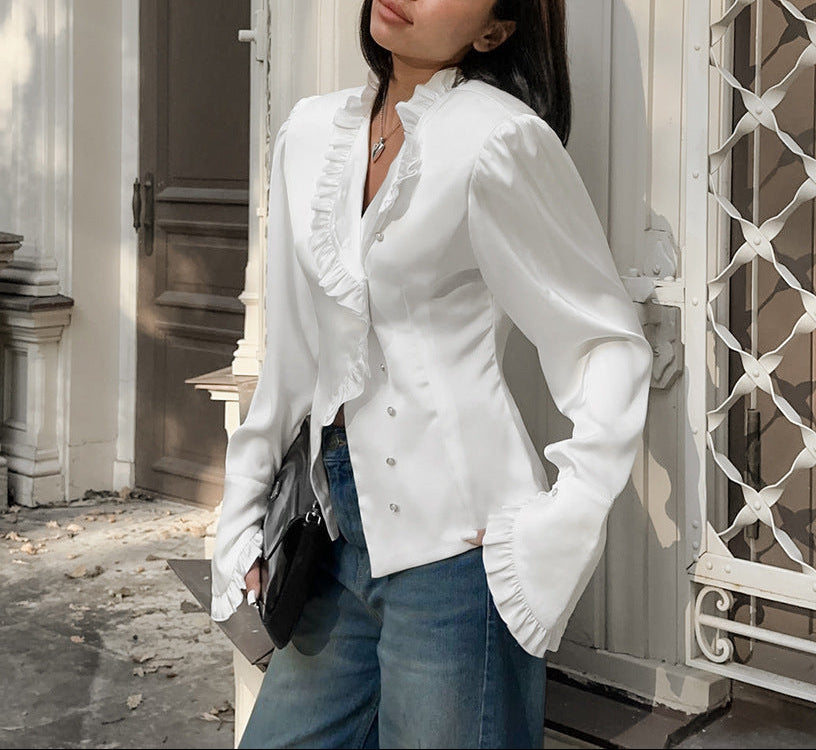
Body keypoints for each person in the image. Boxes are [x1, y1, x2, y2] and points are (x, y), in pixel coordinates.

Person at [210, 0, 653, 747]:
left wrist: (561, 523)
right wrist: (243, 511)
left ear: (494, 30)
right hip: (332, 537)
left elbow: (603, 339)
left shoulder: (497, 139)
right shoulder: (310, 134)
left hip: (458, 561)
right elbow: (292, 355)